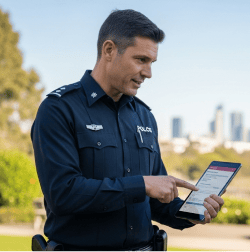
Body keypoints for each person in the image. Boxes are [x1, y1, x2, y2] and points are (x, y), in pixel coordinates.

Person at [31, 9, 224, 251]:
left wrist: (193, 211)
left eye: (152, 63)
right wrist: (141, 184)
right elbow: (63, 194)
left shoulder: (144, 116)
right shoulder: (59, 109)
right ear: (109, 50)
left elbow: (156, 204)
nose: (148, 73)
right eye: (141, 60)